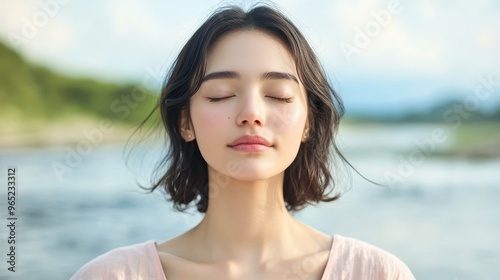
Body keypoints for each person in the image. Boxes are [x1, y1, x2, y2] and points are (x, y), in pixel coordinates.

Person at [71, 4, 415, 280]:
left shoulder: (377, 273)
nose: (251, 114)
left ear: (308, 122)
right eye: (221, 95)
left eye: (278, 96)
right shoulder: (112, 275)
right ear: (185, 122)